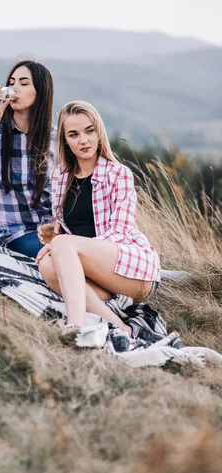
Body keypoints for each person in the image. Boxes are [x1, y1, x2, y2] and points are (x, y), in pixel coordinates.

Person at [36, 100, 161, 338]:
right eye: (74, 134)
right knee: (46, 264)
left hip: (132, 268)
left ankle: (76, 325)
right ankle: (120, 326)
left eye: (89, 131)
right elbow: (68, 228)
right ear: (65, 140)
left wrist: (66, 246)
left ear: (99, 132)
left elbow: (120, 232)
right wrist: (55, 233)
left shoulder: (118, 174)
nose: (83, 140)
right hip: (95, 270)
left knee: (60, 249)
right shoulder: (60, 177)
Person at [0, 60, 56, 258]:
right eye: (11, 83)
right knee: (57, 255)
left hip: (50, 229)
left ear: (41, 91)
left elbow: (63, 190)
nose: (14, 88)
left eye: (24, 83)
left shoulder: (54, 137)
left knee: (86, 251)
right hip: (13, 231)